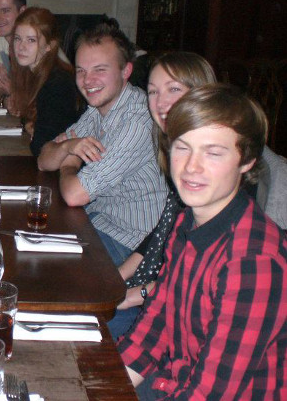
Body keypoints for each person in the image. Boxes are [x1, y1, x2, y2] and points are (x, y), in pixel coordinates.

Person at [119, 84, 287, 400]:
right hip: (175, 383)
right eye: (182, 148)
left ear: (247, 160)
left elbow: (212, 393)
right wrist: (101, 385)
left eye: (213, 153)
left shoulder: (253, 261)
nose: (191, 167)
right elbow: (155, 326)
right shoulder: (186, 222)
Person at [38, 21, 167, 265]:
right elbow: (44, 160)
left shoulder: (136, 122)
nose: (88, 80)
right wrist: (67, 147)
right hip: (97, 220)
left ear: (125, 71)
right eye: (81, 71)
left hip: (131, 244)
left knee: (45, 266)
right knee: (31, 238)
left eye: (99, 69)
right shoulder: (98, 109)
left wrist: (68, 164)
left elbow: (75, 194)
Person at [108, 52, 216, 339]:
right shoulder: (172, 149)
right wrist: (115, 277)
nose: (160, 102)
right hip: (150, 288)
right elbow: (163, 229)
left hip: (173, 310)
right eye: (153, 91)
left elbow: (195, 278)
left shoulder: (211, 172)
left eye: (174, 89)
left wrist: (135, 295)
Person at [7, 7, 81, 157]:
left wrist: (31, 127)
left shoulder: (57, 83)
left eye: (31, 40)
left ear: (49, 46)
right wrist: (28, 124)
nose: (21, 47)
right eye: (17, 38)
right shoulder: (32, 73)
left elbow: (42, 147)